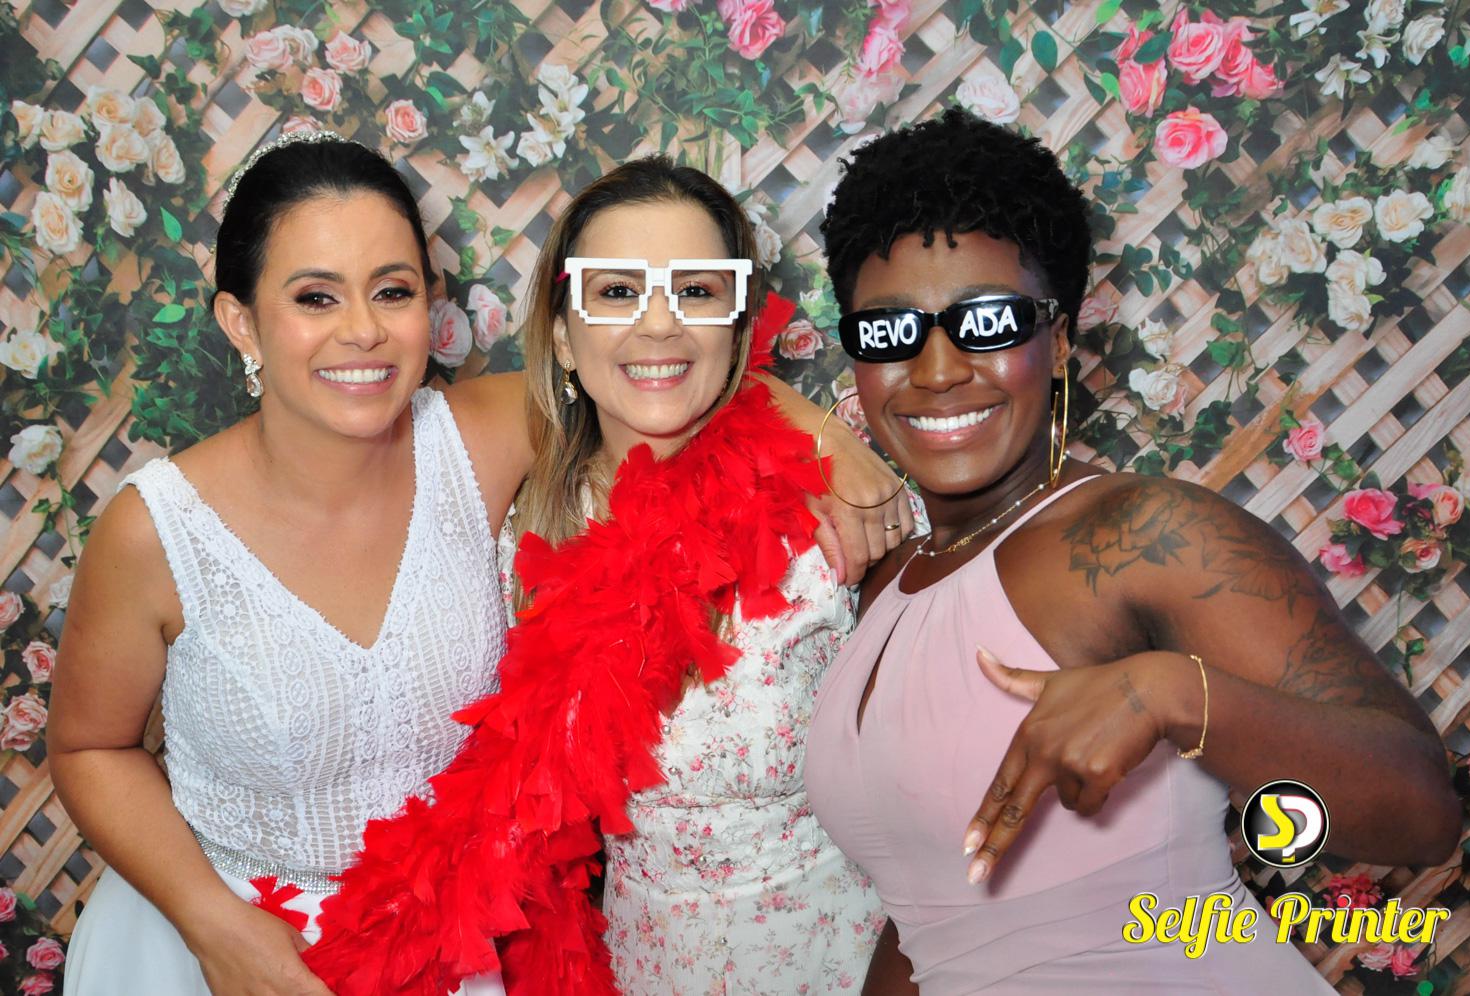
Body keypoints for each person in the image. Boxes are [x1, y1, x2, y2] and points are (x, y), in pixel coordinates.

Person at [49, 134, 901, 996]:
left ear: (430, 305)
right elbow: (88, 746)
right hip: (221, 940)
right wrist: (213, 926)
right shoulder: (155, 531)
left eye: (393, 291)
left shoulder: (478, 437)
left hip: (452, 942)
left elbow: (657, 368)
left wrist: (815, 427)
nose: (362, 330)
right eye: (316, 297)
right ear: (242, 322)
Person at [802, 109, 1461, 994]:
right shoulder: (888, 582)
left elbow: (1422, 814)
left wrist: (1172, 694)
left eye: (988, 321)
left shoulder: (1144, 534)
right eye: (889, 330)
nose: (937, 369)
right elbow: (933, 915)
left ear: (1059, 341)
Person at [304, 157, 891, 996]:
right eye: (616, 292)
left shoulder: (830, 519)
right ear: (561, 335)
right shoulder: (523, 528)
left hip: (843, 965)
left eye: (697, 291)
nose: (659, 325)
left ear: (737, 325)